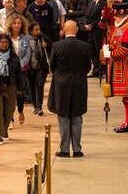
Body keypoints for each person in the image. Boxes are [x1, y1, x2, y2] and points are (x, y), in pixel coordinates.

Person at [48, 21, 92, 157]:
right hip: (79, 85)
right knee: (77, 117)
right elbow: (87, 67)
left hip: (62, 86)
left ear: (64, 30)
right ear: (77, 30)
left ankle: (65, 149)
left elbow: (52, 66)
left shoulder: (57, 46)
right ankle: (77, 149)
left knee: (64, 117)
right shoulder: (85, 46)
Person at [104, 1, 128, 133]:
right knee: (125, 96)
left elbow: (126, 49)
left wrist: (110, 54)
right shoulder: (119, 26)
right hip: (117, 64)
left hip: (126, 64)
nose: (114, 17)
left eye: (115, 14)